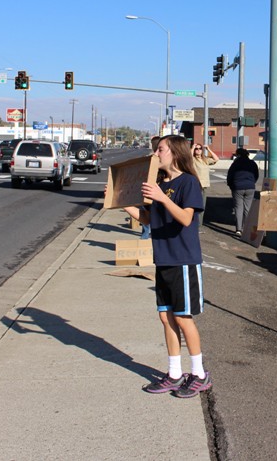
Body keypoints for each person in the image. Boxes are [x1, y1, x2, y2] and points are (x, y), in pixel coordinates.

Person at [118, 135, 212, 398]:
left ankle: (199, 374)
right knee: (165, 316)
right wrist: (122, 201)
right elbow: (149, 219)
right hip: (163, 259)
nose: (155, 154)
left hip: (183, 260)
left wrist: (162, 197)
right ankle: (173, 373)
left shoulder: (188, 183)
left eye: (160, 149)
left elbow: (185, 218)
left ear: (174, 153)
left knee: (183, 318)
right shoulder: (159, 184)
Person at [226, 147, 259, 236]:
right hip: (250, 187)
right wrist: (252, 182)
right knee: (247, 208)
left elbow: (230, 175)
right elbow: (256, 175)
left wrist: (231, 186)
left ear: (238, 155)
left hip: (238, 187)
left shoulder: (235, 164)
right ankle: (246, 228)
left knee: (238, 208)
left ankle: (239, 230)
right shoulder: (252, 163)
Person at [140, 136, 162, 240]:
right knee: (149, 218)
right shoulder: (151, 158)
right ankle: (146, 238)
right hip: (150, 192)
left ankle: (145, 239)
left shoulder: (153, 159)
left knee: (148, 218)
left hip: (152, 192)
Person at [191, 143, 218, 226]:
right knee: (195, 205)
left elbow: (216, 159)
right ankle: (194, 223)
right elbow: (187, 158)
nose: (198, 150)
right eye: (197, 149)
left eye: (200, 148)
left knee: (202, 206)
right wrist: (192, 148)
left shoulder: (205, 159)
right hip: (197, 185)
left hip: (204, 185)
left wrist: (208, 149)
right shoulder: (193, 159)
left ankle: (199, 224)